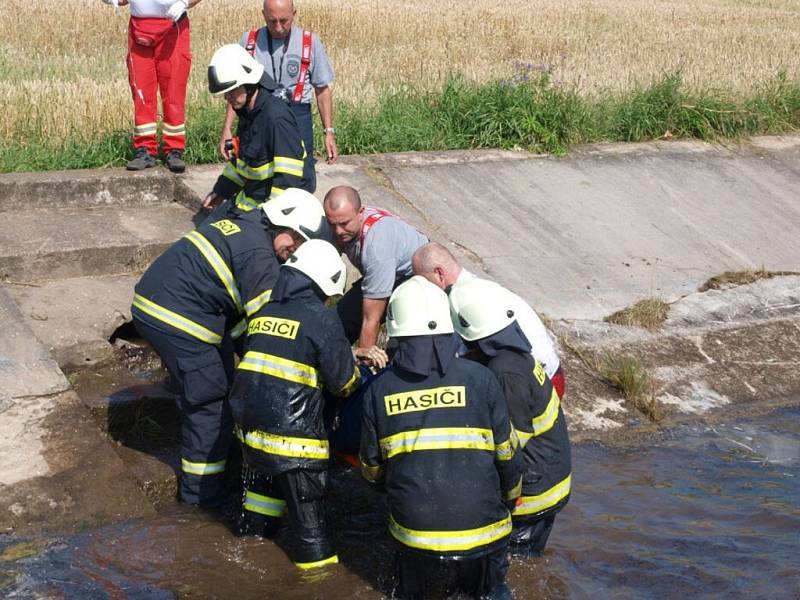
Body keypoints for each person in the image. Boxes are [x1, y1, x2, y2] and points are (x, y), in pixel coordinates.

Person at [131, 188, 328, 507]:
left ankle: (226, 463)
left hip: (168, 304)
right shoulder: (260, 257)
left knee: (227, 381)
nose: (293, 252)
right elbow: (269, 329)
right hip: (177, 318)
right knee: (210, 404)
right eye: (296, 241)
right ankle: (201, 499)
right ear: (284, 226)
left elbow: (241, 318)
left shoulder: (245, 221)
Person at [359, 276, 522, 599]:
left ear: (396, 329)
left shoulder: (379, 390)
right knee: (489, 589)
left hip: (413, 531)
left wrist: (395, 495)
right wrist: (508, 499)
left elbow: (371, 468)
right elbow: (507, 455)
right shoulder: (482, 379)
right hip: (484, 525)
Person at [229, 240, 360, 569]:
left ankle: (250, 555)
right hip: (295, 441)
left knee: (259, 508)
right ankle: (319, 582)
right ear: (325, 281)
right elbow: (343, 384)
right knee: (311, 531)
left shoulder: (264, 312)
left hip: (250, 432)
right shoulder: (323, 318)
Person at [450, 278, 572, 558]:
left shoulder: (506, 372)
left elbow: (512, 443)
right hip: (546, 474)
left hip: (534, 491)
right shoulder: (512, 354)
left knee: (514, 565)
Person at [412, 241, 566, 398]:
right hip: (548, 375)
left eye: (424, 280)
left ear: (439, 273)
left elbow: (457, 360)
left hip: (526, 386)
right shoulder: (479, 287)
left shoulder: (462, 304)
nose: (424, 288)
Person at [220, 0, 338, 192]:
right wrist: (227, 129)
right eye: (272, 21)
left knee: (300, 179)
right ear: (263, 15)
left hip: (297, 115)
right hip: (256, 116)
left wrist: (329, 132)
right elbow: (236, 91)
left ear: (294, 14)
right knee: (252, 173)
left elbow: (322, 90)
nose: (278, 27)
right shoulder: (249, 42)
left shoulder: (310, 42)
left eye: (284, 21)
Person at [324, 185, 428, 369]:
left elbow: (370, 319)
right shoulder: (339, 226)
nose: (338, 231)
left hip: (416, 278)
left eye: (344, 223)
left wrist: (364, 366)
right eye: (333, 224)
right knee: (334, 325)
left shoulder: (376, 247)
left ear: (360, 213)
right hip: (389, 270)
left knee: (402, 348)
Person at [204, 44, 310, 214]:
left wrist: (267, 221)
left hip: (270, 214)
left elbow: (287, 182)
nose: (227, 97)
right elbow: (243, 163)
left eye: (231, 90)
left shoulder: (276, 118)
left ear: (249, 84)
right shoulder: (249, 113)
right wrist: (222, 190)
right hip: (249, 204)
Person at [102, 0, 201, 173]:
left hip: (173, 27)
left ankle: (174, 150)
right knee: (141, 91)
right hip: (139, 28)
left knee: (173, 90)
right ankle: (145, 150)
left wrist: (184, 3)